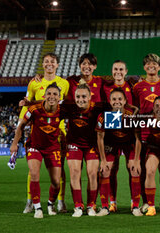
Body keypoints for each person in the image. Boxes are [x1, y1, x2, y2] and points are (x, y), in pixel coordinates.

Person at [19, 53, 69, 214]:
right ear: (42, 64)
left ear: (57, 64)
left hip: (58, 131)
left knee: (59, 170)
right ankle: (30, 201)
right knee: (33, 170)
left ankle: (59, 201)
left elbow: (67, 105)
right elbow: (27, 104)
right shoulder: (34, 82)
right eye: (46, 61)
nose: (49, 64)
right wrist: (20, 123)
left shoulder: (64, 83)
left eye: (52, 62)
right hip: (38, 131)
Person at [10, 83, 63, 219]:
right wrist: (15, 144)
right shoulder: (34, 109)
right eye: (49, 94)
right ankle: (37, 207)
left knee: (56, 182)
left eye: (55, 94)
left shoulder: (62, 110)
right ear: (44, 95)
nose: (51, 96)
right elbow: (21, 125)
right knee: (34, 174)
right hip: (35, 147)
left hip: (53, 148)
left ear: (59, 97)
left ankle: (50, 203)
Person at [133, 53, 160, 213]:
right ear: (144, 67)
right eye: (148, 64)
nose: (151, 66)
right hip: (144, 133)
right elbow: (135, 109)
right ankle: (146, 202)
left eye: (154, 64)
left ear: (159, 67)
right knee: (144, 168)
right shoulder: (138, 87)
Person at [95, 88, 142, 216]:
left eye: (120, 99)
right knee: (105, 170)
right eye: (114, 99)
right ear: (110, 101)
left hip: (129, 144)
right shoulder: (104, 116)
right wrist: (103, 160)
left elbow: (138, 139)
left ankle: (135, 206)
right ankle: (108, 206)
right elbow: (100, 139)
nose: (117, 102)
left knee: (134, 169)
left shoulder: (132, 115)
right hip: (112, 144)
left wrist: (137, 160)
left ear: (125, 101)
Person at [60, 82, 102, 217]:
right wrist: (29, 103)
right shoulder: (69, 107)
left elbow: (118, 106)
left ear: (90, 96)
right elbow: (49, 104)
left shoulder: (98, 108)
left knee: (93, 174)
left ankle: (91, 205)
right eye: (78, 97)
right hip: (74, 144)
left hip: (91, 145)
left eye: (84, 96)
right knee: (74, 172)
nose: (80, 100)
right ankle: (78, 206)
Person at [102, 60, 134, 212]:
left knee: (132, 168)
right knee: (112, 168)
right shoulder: (105, 86)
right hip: (111, 134)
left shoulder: (132, 86)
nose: (118, 72)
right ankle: (112, 202)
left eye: (121, 69)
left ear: (126, 71)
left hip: (129, 133)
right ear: (112, 71)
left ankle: (135, 202)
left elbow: (137, 108)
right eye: (115, 69)